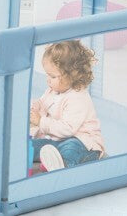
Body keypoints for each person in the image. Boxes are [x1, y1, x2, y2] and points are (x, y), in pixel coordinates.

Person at [30, 40, 105, 172]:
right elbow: (43, 104)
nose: (48, 79)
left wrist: (41, 121)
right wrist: (35, 107)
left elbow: (67, 129)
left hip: (84, 143)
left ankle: (62, 165)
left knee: (71, 148)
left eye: (52, 76)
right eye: (47, 74)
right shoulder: (52, 90)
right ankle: (30, 157)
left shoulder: (78, 98)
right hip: (56, 140)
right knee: (33, 145)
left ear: (72, 76)